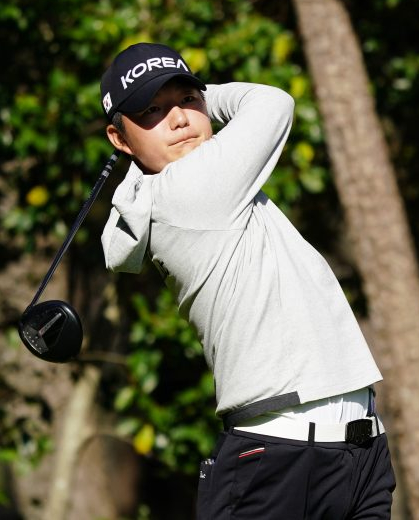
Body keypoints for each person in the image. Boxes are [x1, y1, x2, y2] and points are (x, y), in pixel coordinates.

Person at [99, 43, 396, 519]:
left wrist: (183, 101)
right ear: (120, 138)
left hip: (356, 453)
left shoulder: (203, 186)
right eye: (152, 110)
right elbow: (273, 102)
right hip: (278, 459)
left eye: (187, 100)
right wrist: (205, 99)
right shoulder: (186, 191)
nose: (179, 119)